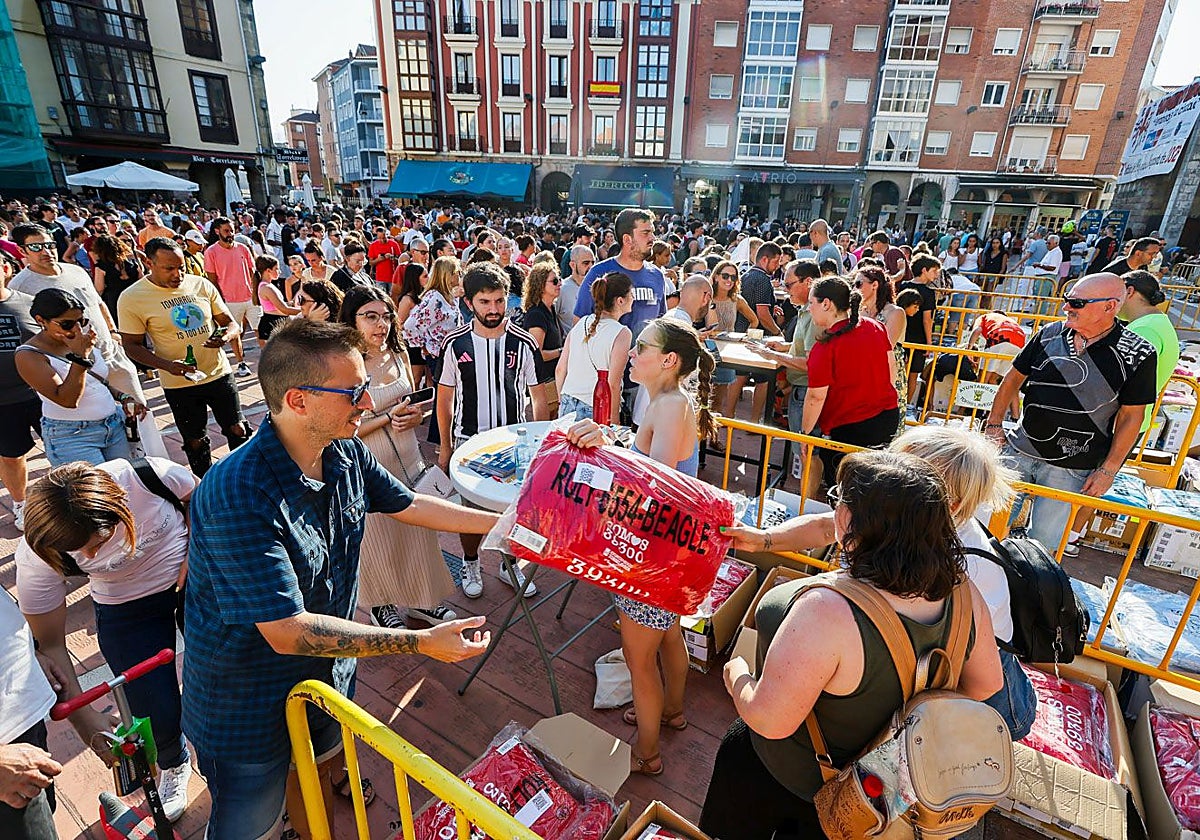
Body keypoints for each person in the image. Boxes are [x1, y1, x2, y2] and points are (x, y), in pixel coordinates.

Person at [181, 318, 497, 840]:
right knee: (250, 825)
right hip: (248, 707)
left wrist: (509, 526)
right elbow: (287, 631)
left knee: (320, 781)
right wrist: (420, 642)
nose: (369, 403)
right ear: (297, 400)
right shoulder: (238, 492)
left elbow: (409, 503)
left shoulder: (343, 450)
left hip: (328, 679)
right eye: (353, 391)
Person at [698, 450, 1004, 839]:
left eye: (840, 501)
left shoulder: (828, 610)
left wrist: (737, 674)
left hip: (783, 779)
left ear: (856, 524)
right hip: (868, 801)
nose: (836, 510)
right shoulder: (964, 594)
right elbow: (985, 685)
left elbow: (768, 720)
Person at [566, 318, 716, 777]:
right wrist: (615, 442)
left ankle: (647, 753)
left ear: (668, 361)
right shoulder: (668, 401)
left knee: (639, 662)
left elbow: (658, 484)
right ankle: (672, 712)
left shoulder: (670, 405)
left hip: (651, 556)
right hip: (665, 552)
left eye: (642, 347)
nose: (632, 353)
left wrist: (608, 457)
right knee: (669, 634)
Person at [18, 458, 197, 821]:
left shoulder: (147, 477)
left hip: (192, 580)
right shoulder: (37, 555)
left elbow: (201, 499)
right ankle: (174, 762)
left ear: (118, 507)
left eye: (96, 543)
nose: (89, 556)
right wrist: (87, 725)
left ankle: (234, 753)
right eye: (78, 552)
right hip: (125, 607)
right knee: (151, 704)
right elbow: (51, 645)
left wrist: (197, 548)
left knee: (227, 673)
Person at [984, 272, 1158, 550]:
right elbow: (1012, 379)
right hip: (1018, 451)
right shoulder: (1049, 334)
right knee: (985, 532)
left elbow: (1131, 417)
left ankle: (1029, 592)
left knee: (1042, 546)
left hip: (1072, 467)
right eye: (1067, 300)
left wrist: (1108, 471)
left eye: (1076, 302)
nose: (1066, 307)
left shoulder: (1137, 352)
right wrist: (994, 426)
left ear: (1109, 306)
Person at [336, 286, 459, 631]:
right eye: (370, 317)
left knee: (418, 536)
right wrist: (388, 418)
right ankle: (381, 606)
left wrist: (416, 416)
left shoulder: (398, 351)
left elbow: (414, 401)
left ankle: (424, 603)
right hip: (365, 465)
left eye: (386, 316)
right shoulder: (343, 363)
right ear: (352, 319)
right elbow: (339, 428)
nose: (381, 325)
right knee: (376, 542)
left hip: (408, 459)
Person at [436, 262, 540, 601]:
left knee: (514, 510)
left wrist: (541, 447)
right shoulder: (455, 344)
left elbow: (538, 397)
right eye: (485, 302)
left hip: (514, 447)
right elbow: (445, 398)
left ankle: (509, 564)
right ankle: (470, 561)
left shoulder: (523, 344)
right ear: (470, 303)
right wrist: (446, 447)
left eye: (499, 301)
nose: (493, 309)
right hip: (470, 446)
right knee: (471, 512)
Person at [118, 237, 249, 477]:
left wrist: (225, 336)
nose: (177, 274)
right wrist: (167, 366)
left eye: (181, 267)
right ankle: (204, 485)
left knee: (238, 429)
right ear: (149, 262)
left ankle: (243, 477)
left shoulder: (200, 285)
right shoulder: (132, 297)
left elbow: (230, 323)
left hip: (218, 373)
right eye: (169, 268)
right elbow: (131, 345)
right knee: (195, 441)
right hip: (179, 383)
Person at [15, 289, 144, 466]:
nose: (76, 329)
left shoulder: (81, 340)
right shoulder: (29, 355)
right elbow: (68, 400)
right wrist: (80, 357)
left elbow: (97, 382)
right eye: (66, 324)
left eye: (81, 321)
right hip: (73, 436)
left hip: (113, 426)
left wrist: (123, 397)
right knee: (96, 492)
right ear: (41, 320)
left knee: (126, 487)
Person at [798, 276, 900, 481]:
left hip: (850, 426)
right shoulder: (875, 327)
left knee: (844, 486)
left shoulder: (826, 346)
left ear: (826, 304)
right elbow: (892, 370)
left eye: (811, 303)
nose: (809, 308)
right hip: (886, 416)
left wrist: (805, 435)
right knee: (871, 481)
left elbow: (815, 397)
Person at [575, 209, 668, 419]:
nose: (653, 238)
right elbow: (580, 322)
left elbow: (660, 323)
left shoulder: (656, 276)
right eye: (645, 233)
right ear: (627, 239)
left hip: (644, 382)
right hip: (604, 382)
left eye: (652, 232)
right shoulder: (600, 273)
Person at [556, 272, 633, 422]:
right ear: (620, 301)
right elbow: (613, 383)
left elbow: (560, 369)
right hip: (597, 407)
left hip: (567, 401)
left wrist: (562, 399)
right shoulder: (622, 333)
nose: (634, 298)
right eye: (632, 294)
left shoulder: (581, 323)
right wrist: (614, 420)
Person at [0, 253, 41, 530]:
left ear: (5, 268)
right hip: (3, 404)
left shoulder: (27, 303)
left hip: (41, 394)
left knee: (61, 449)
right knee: (12, 456)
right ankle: (21, 503)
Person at [855, 264, 908, 427]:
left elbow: (885, 347)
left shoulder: (895, 312)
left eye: (859, 284)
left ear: (875, 284)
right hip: (860, 372)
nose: (855, 289)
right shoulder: (858, 312)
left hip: (887, 373)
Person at [203, 217, 256, 378]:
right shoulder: (211, 252)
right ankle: (241, 363)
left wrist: (255, 294)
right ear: (217, 231)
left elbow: (253, 272)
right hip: (229, 300)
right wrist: (220, 301)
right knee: (235, 332)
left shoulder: (243, 248)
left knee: (260, 331)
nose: (231, 234)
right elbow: (212, 280)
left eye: (232, 230)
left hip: (250, 297)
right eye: (226, 230)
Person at [520, 262, 564, 420]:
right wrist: (562, 351)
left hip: (553, 379)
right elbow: (537, 354)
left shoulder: (550, 309)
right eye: (554, 281)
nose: (559, 283)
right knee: (545, 429)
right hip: (543, 383)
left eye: (559, 279)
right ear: (540, 285)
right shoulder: (536, 315)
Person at [402, 255, 462, 368]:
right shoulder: (434, 298)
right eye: (457, 272)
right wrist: (424, 347)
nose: (459, 276)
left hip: (452, 353)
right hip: (439, 356)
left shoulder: (450, 295)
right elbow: (410, 325)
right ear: (449, 275)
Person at [898, 253, 940, 405]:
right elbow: (927, 320)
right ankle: (906, 406)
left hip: (902, 334)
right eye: (934, 271)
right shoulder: (928, 293)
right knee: (912, 377)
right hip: (918, 338)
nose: (936, 275)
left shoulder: (903, 285)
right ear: (924, 270)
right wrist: (929, 344)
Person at [392, 262, 429, 388]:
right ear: (415, 278)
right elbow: (399, 323)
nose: (428, 278)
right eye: (424, 276)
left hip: (426, 343)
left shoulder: (425, 296)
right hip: (413, 345)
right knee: (415, 379)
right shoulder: (407, 300)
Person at [91, 233, 143, 318]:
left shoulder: (101, 267)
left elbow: (99, 289)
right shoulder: (131, 261)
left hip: (116, 300)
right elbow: (141, 278)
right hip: (136, 295)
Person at [254, 255, 301, 341]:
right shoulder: (267, 288)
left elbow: (279, 305)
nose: (279, 271)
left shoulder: (269, 285)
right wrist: (305, 312)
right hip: (274, 323)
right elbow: (284, 309)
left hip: (279, 321)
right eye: (276, 269)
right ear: (268, 270)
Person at [555, 245, 594, 336]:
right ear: (572, 265)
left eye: (593, 262)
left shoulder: (597, 287)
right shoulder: (562, 289)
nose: (590, 266)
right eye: (586, 263)